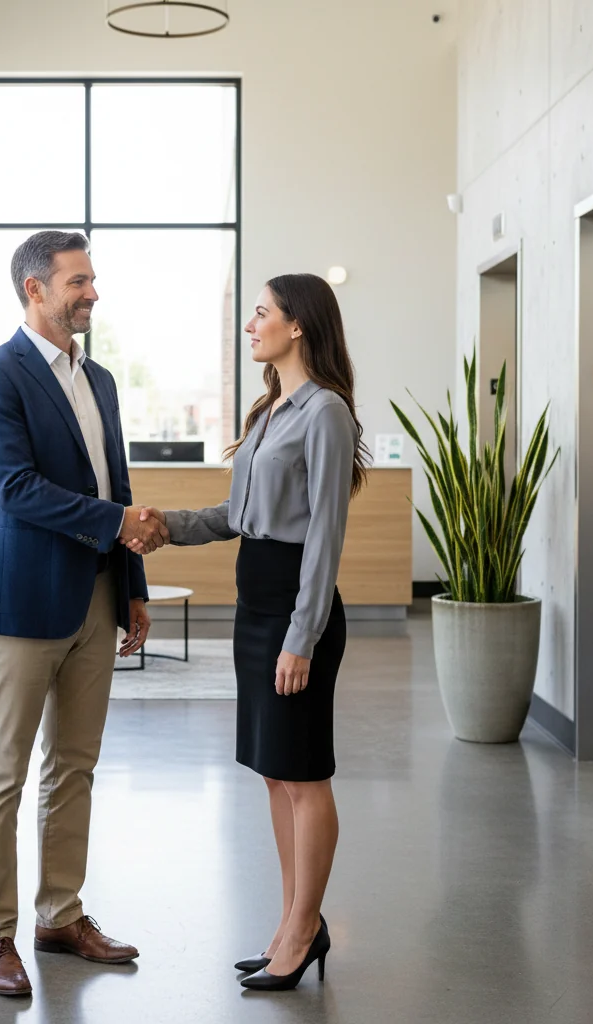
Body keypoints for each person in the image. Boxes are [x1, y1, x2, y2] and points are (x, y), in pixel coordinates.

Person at [128, 274, 370, 991]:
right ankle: (296, 919)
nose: (250, 324)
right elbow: (237, 515)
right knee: (274, 772)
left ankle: (302, 931)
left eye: (261, 313)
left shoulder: (325, 413)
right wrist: (166, 528)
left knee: (305, 775)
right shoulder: (270, 410)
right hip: (254, 608)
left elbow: (326, 534)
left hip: (298, 610)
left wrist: (303, 634)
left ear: (298, 326)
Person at [0, 230, 169, 998]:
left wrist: (133, 581)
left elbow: (116, 482)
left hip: (96, 596)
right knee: (1, 772)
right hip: (19, 603)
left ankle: (60, 914)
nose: (92, 292)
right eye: (78, 280)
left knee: (74, 766)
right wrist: (118, 526)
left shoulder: (101, 380)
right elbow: (13, 488)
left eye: (92, 279)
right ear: (34, 289)